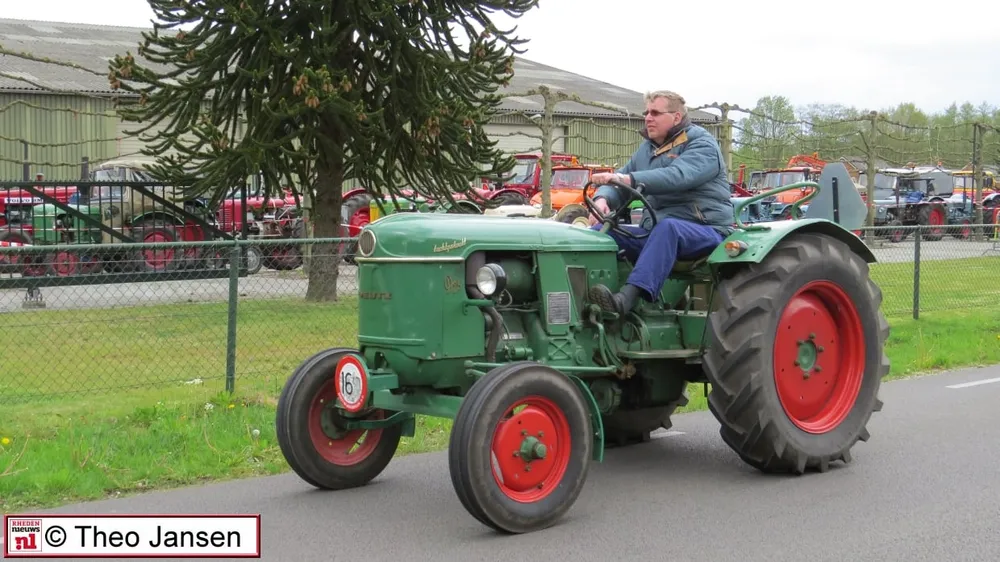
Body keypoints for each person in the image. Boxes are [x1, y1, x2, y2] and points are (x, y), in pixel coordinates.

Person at [586, 90, 735, 319]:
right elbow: (621, 180)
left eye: (655, 113)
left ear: (676, 117)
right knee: (601, 234)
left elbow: (678, 176)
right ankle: (588, 298)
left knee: (669, 228)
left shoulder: (701, 143)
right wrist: (602, 199)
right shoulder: (647, 150)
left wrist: (627, 180)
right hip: (656, 230)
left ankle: (625, 300)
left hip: (706, 229)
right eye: (646, 112)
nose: (648, 118)